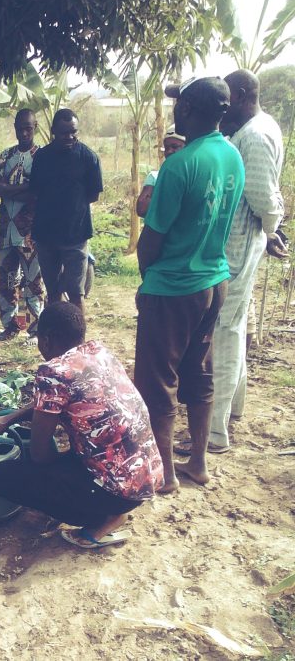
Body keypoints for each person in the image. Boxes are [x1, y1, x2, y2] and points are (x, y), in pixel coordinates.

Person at [134, 77, 245, 493]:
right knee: (199, 373)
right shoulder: (232, 156)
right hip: (214, 282)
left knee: (157, 380)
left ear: (189, 111)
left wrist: (150, 282)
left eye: (181, 104)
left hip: (174, 288)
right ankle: (198, 462)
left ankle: (167, 475)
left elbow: (152, 240)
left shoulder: (178, 166)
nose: (176, 110)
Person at [0, 302, 163, 549]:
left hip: (115, 492)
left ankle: (102, 520)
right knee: (72, 455)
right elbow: (53, 401)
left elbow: (40, 456)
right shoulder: (98, 353)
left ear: (47, 339)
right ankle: (110, 506)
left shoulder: (52, 372)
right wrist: (10, 418)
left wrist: (48, 469)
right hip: (146, 476)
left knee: (2, 477)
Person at [182, 69, 285, 455]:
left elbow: (263, 198)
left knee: (222, 335)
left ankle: (213, 433)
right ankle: (233, 410)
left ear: (242, 96)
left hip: (240, 247)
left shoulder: (255, 136)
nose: (222, 106)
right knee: (234, 327)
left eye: (228, 97)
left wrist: (270, 228)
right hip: (244, 245)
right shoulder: (259, 127)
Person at [28, 108, 103, 318]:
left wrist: (71, 208)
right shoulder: (42, 157)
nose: (69, 137)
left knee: (76, 294)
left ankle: (79, 344)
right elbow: (35, 191)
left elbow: (93, 195)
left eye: (73, 132)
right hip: (46, 236)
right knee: (53, 293)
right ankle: (57, 338)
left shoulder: (88, 157)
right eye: (64, 133)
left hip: (75, 236)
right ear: (53, 131)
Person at [0, 109, 44, 340]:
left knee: (32, 283)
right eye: (20, 128)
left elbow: (39, 193)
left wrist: (7, 190)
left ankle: (33, 330)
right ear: (15, 128)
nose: (23, 132)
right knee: (7, 281)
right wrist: (24, 188)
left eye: (28, 128)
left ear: (35, 127)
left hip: (30, 231)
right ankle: (11, 327)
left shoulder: (42, 156)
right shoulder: (5, 156)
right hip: (6, 231)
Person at [136, 128, 186, 218]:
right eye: (166, 148)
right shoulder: (154, 177)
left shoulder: (193, 176)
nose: (169, 151)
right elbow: (142, 209)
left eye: (175, 147)